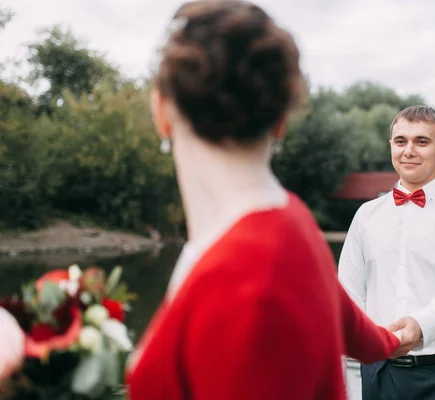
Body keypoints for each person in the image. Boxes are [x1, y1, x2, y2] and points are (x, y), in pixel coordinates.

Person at [125, 1, 402, 399]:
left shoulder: (243, 283)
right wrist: (393, 340)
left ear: (161, 110)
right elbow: (349, 325)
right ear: (280, 121)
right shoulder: (292, 220)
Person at [338, 105, 435, 400]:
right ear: (391, 146)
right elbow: (349, 291)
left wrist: (421, 326)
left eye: (421, 141)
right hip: (379, 373)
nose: (409, 150)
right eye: (401, 141)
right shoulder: (366, 215)